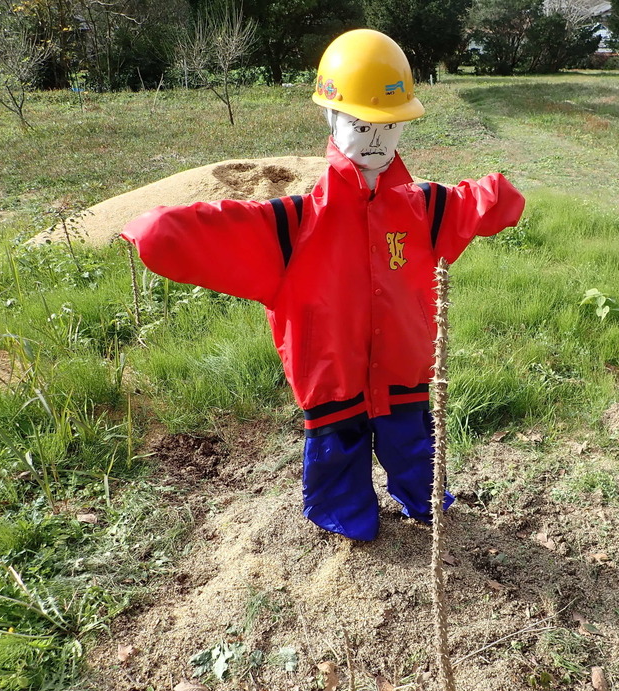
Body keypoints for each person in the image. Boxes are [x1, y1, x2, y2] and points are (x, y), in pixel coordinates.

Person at [122, 29, 525, 541]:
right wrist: (150, 231)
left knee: (415, 451)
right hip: (333, 382)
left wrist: (505, 195)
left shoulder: (423, 211)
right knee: (339, 470)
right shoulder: (292, 226)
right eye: (361, 124)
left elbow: (483, 202)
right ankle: (350, 528)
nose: (376, 139)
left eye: (389, 124)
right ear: (331, 118)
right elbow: (204, 235)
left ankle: (425, 507)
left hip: (403, 370)